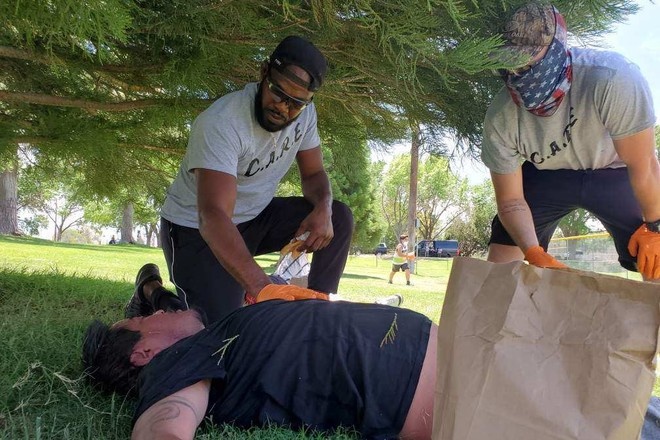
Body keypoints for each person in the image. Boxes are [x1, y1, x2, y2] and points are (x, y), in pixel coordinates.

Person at [83, 267, 436, 440]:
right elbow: (166, 427)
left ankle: (150, 285)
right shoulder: (168, 365)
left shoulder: (210, 339)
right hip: (425, 384)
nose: (157, 313)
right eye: (143, 319)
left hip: (438, 352)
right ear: (143, 353)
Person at [157, 35, 354, 322]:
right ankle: (152, 292)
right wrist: (263, 287)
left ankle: (317, 317)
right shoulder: (222, 122)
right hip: (195, 232)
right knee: (219, 329)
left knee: (338, 217)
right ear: (264, 73)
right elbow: (212, 215)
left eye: (296, 103)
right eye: (278, 93)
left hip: (253, 220)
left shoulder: (305, 114)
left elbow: (313, 174)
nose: (283, 108)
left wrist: (323, 207)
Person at [481, 3, 660, 281]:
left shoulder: (613, 78)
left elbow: (644, 165)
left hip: (614, 170)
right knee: (499, 269)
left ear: (558, 47)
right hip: (546, 175)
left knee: (657, 259)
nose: (520, 70)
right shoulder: (500, 117)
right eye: (511, 60)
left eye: (530, 58)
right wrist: (532, 251)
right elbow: (511, 201)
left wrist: (655, 227)